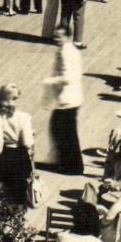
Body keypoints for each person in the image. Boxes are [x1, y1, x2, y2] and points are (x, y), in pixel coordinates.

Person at [43, 27, 85, 175]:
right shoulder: (69, 50)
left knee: (64, 132)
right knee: (65, 132)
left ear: (67, 36)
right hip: (71, 98)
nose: (56, 39)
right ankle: (69, 163)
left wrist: (50, 81)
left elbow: (67, 77)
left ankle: (71, 166)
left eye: (59, 36)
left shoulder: (66, 52)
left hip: (67, 99)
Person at [0, 84, 36, 208]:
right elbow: (27, 143)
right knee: (17, 196)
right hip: (17, 157)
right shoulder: (23, 117)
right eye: (16, 98)